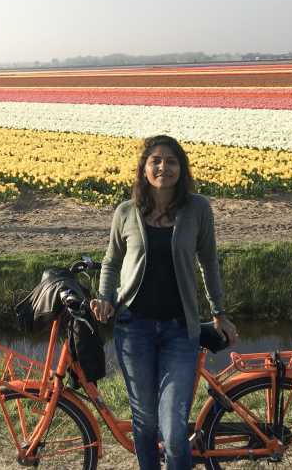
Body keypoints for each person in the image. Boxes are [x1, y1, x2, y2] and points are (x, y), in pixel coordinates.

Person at [91, 135, 238, 470]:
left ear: (181, 169)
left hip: (179, 331)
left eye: (171, 161)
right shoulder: (126, 212)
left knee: (172, 431)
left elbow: (209, 261)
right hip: (134, 329)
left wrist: (219, 313)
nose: (163, 167)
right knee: (144, 423)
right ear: (144, 168)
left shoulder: (197, 209)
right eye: (156, 160)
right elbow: (111, 261)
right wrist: (105, 298)